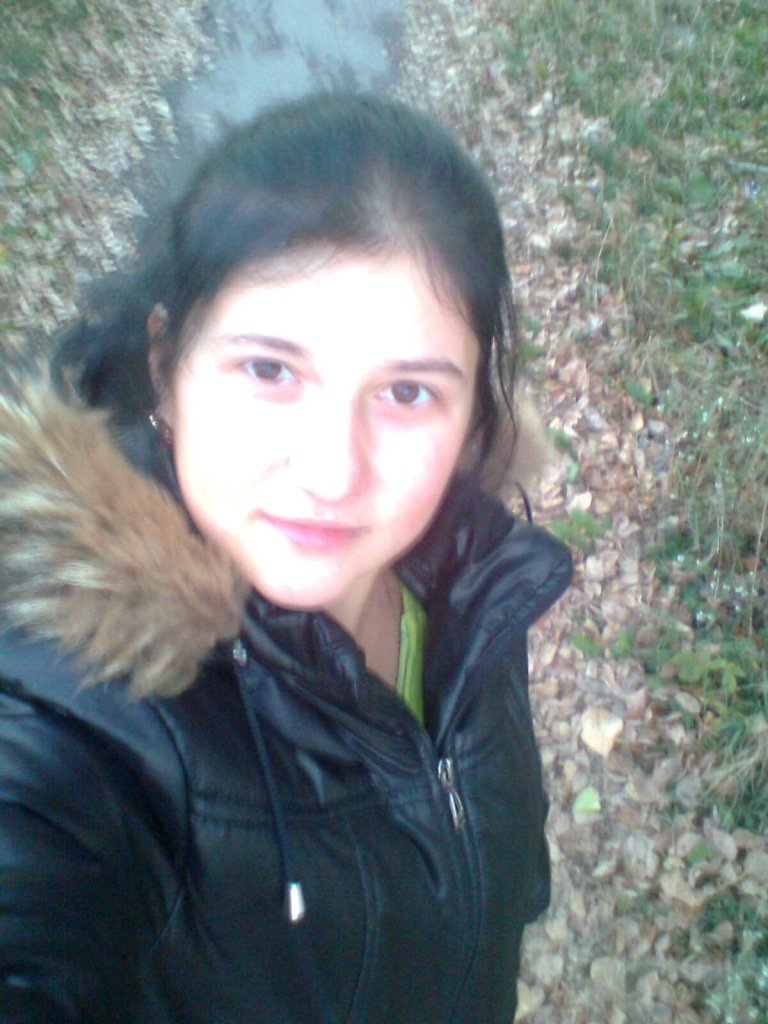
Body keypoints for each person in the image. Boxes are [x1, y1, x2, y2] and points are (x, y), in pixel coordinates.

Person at [0, 92, 572, 1023]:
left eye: (408, 393)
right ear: (165, 370)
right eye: (269, 370)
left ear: (473, 409)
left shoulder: (464, 577)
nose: (333, 472)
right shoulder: (76, 729)